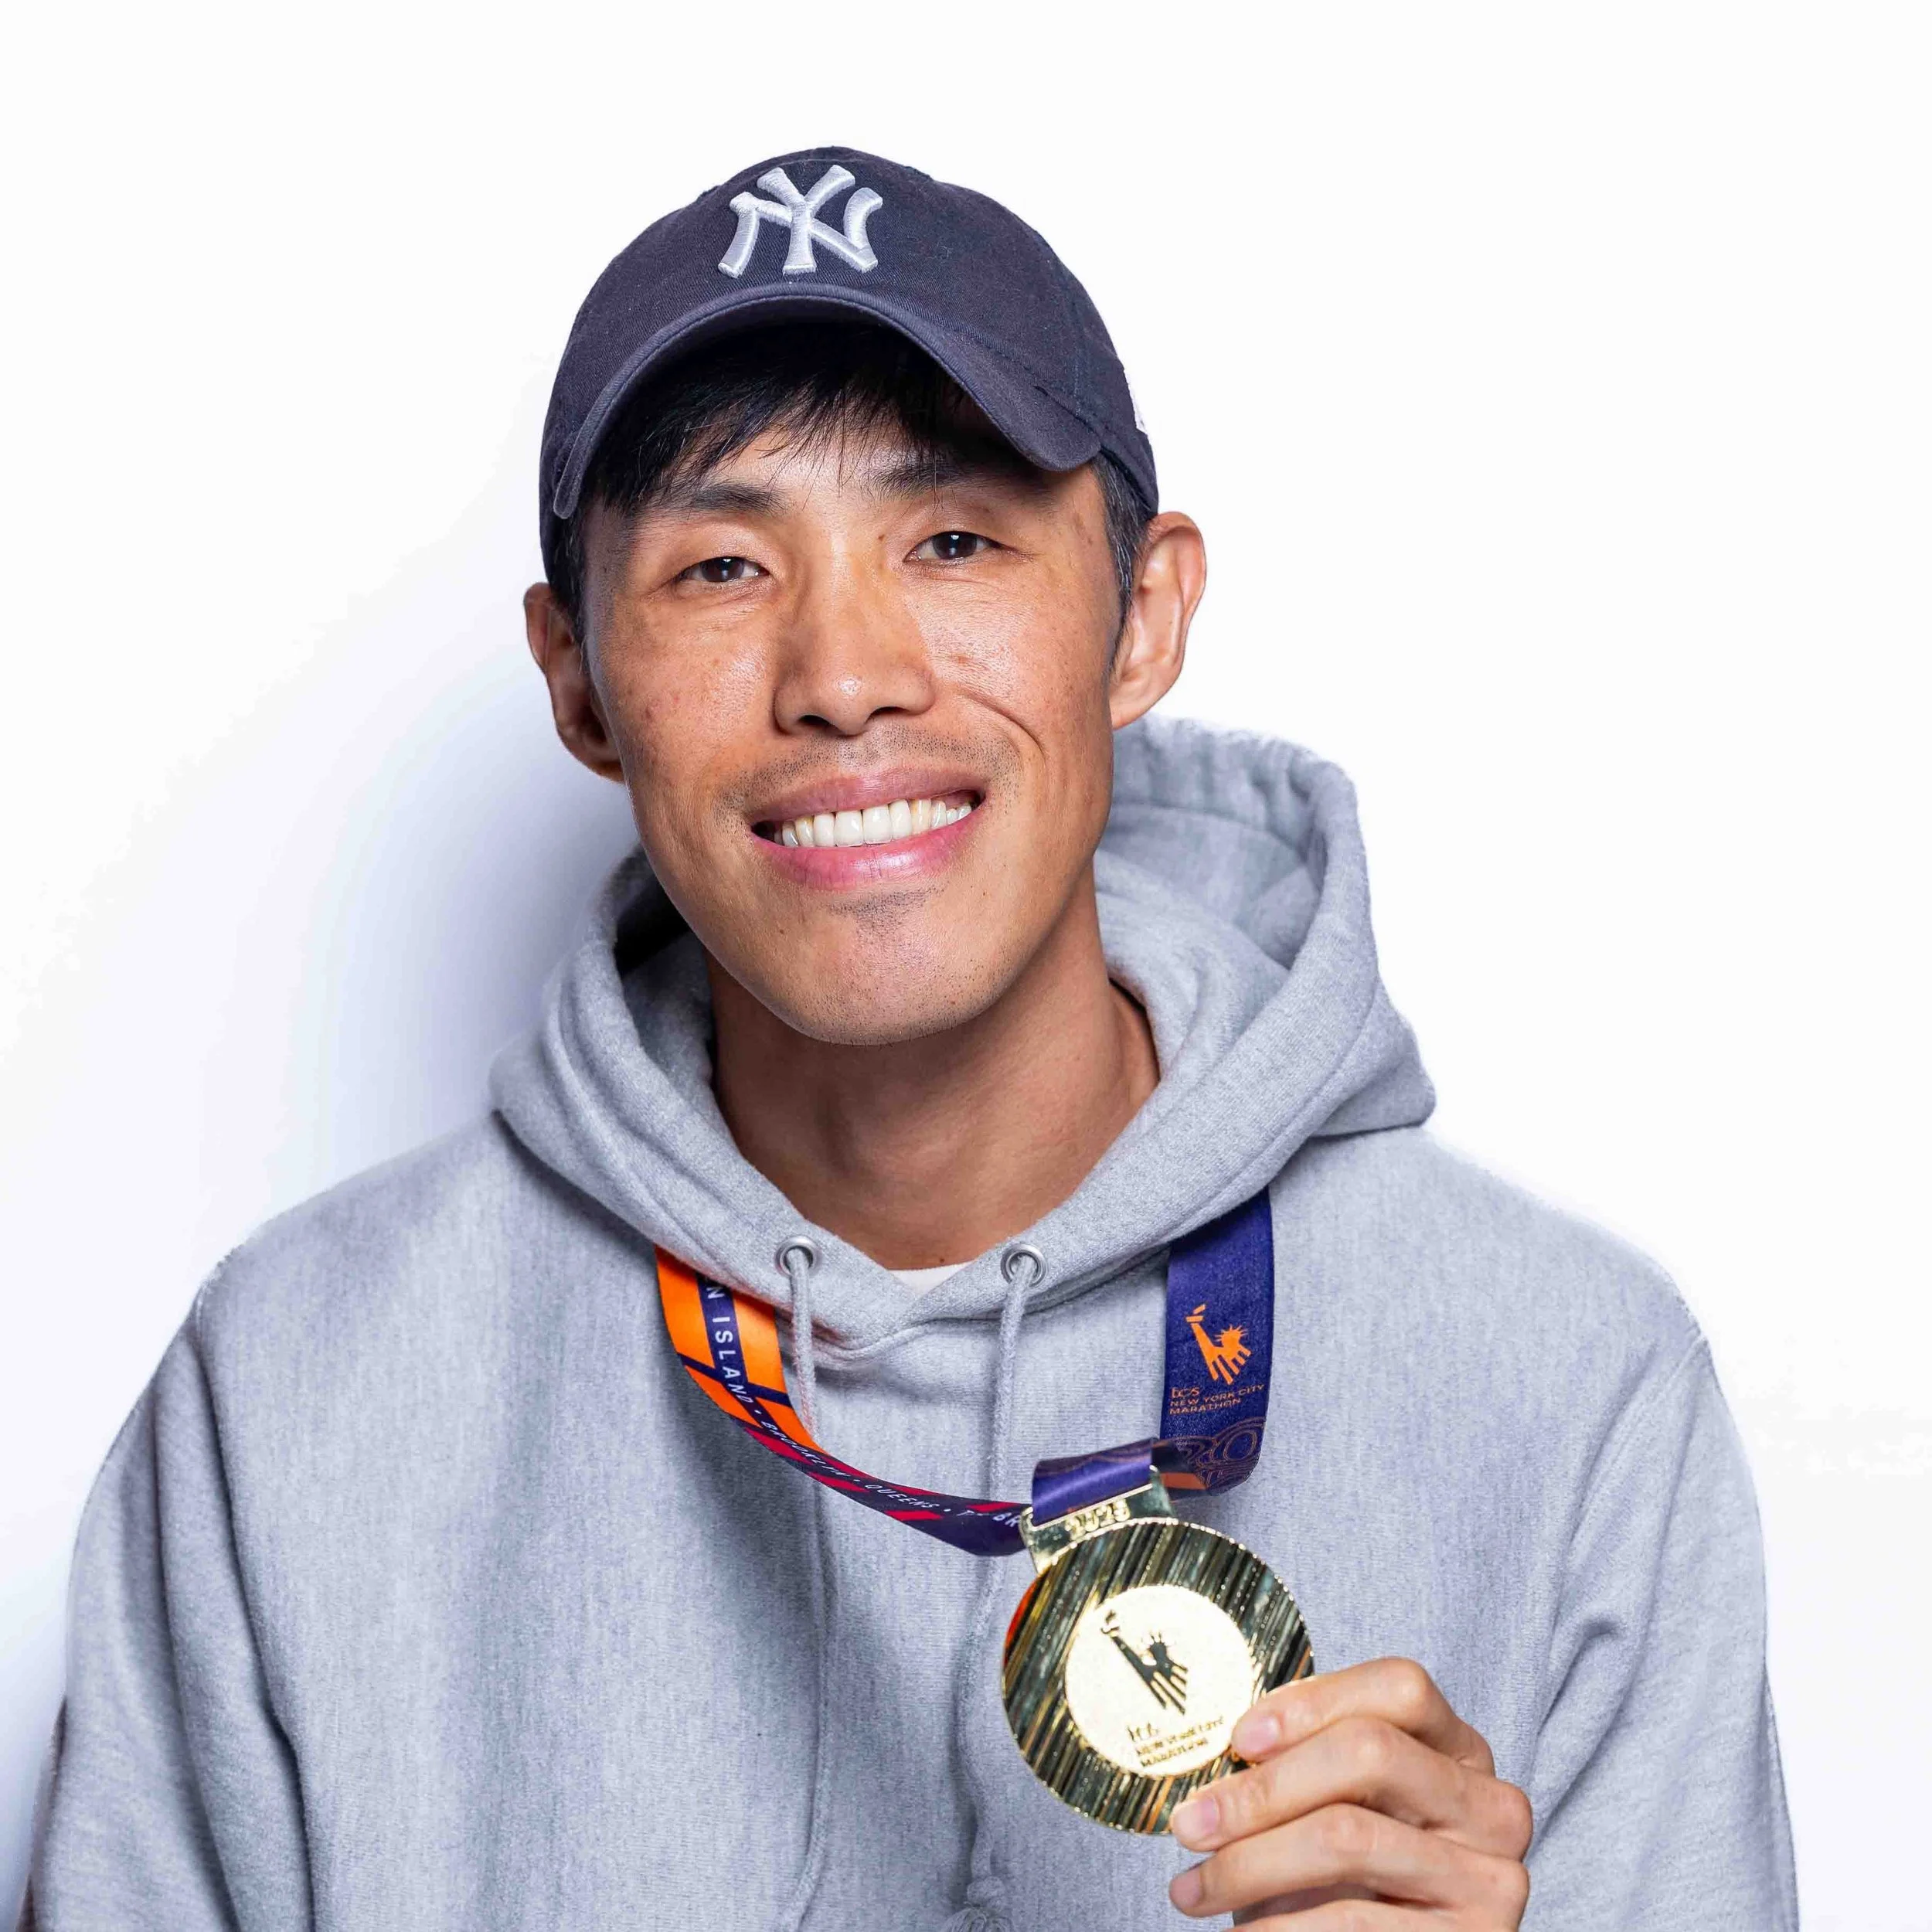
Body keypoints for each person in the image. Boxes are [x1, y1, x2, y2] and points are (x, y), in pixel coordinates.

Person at [21, 148, 1796, 1931]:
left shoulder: (1568, 1380)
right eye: (720, 564)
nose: (845, 671)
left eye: (951, 539)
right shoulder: (299, 1385)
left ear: (1143, 613)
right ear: (574, 678)